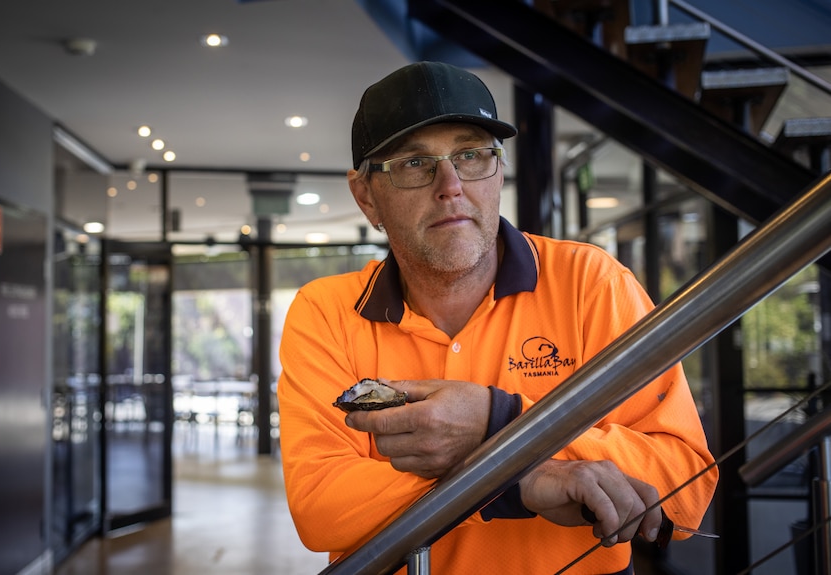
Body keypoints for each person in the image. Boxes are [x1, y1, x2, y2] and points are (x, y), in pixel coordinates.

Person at [277, 61, 717, 575]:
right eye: (414, 164)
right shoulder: (326, 311)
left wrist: (500, 421)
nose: (451, 185)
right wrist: (514, 482)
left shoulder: (590, 283)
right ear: (366, 196)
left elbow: (686, 489)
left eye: (470, 154)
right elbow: (321, 508)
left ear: (499, 171)